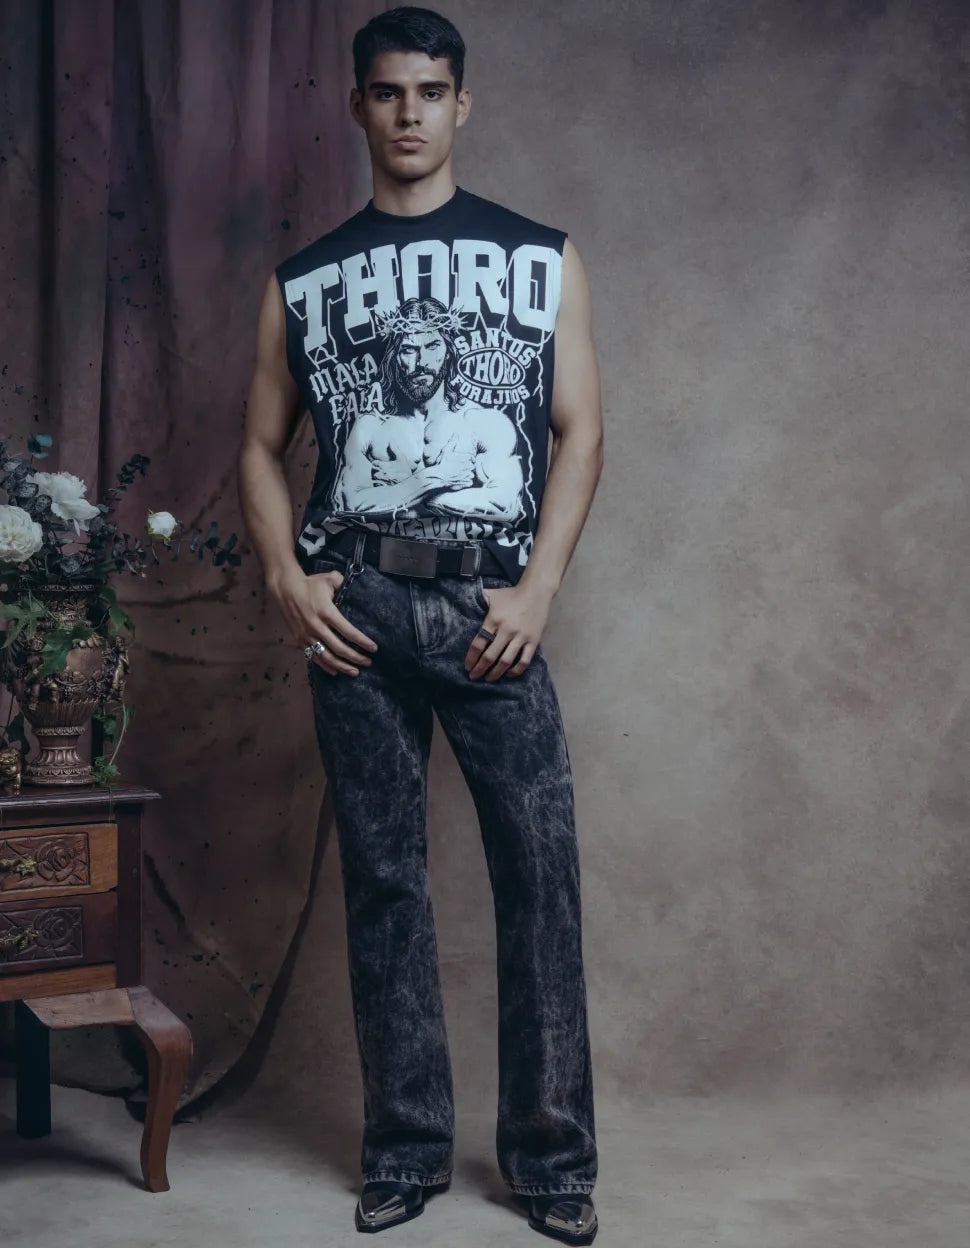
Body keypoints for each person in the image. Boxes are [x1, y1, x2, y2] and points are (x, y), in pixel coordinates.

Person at [237, 8, 603, 1243]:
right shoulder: (304, 280)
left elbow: (581, 432)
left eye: (430, 92)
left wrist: (538, 589)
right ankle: (403, 1149)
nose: (409, 113)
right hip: (360, 607)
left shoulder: (541, 258)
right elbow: (258, 445)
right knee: (386, 882)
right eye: (388, 92)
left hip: (490, 604)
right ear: (359, 105)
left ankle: (551, 1162)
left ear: (462, 105)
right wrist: (289, 578)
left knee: (537, 876)